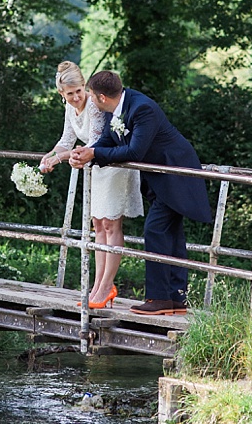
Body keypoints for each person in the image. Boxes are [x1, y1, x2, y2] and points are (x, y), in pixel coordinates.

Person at [69, 71, 211, 315]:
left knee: (155, 229)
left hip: (175, 173)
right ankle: (176, 299)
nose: (89, 99)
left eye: (91, 95)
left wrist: (94, 155)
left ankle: (158, 299)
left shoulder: (142, 108)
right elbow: (107, 140)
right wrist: (87, 154)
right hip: (159, 180)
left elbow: (134, 151)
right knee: (171, 234)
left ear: (102, 97)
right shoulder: (115, 108)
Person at [40, 61, 143, 309]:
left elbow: (97, 141)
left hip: (111, 163)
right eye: (70, 93)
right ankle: (97, 286)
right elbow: (66, 140)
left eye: (79, 91)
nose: (76, 97)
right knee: (98, 224)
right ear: (61, 94)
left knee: (110, 222)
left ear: (85, 86)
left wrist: (61, 158)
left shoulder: (94, 106)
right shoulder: (69, 108)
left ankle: (107, 285)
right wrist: (48, 156)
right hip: (94, 167)